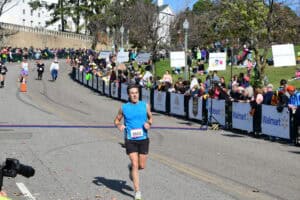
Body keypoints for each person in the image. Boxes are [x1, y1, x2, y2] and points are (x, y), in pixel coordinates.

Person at [114, 84, 153, 200]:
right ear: (129, 95)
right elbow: (116, 120)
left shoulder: (145, 106)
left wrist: (149, 123)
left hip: (143, 139)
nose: (134, 95)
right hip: (130, 140)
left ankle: (131, 168)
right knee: (136, 164)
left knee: (142, 165)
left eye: (136, 92)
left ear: (139, 93)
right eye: (132, 93)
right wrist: (119, 125)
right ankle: (137, 192)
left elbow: (150, 118)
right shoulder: (124, 107)